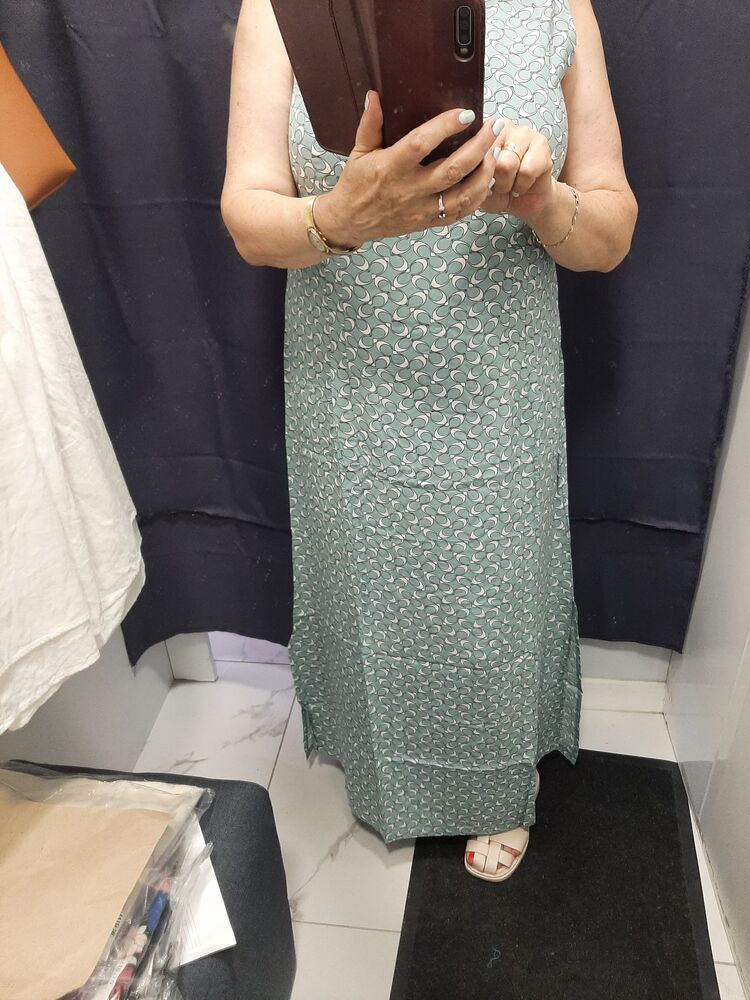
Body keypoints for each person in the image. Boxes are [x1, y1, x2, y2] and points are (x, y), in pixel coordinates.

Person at [221, 0, 637, 882]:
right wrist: (339, 217)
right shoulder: (284, 8)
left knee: (495, 598)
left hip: (498, 390)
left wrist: (543, 199)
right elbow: (247, 215)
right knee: (365, 585)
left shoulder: (558, 7)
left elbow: (611, 231)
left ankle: (494, 779)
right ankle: (382, 761)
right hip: (349, 386)